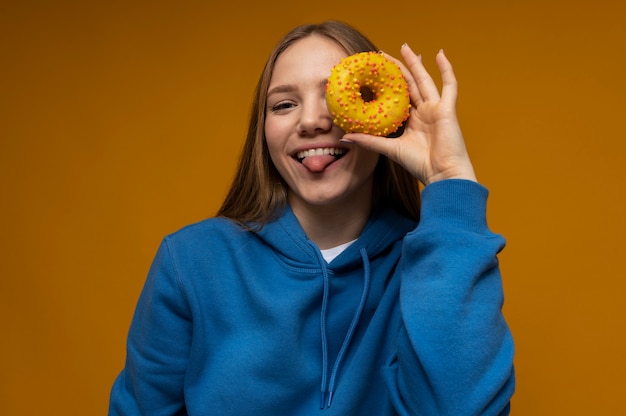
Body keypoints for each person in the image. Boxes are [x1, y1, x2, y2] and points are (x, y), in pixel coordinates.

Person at [109, 20, 515, 415]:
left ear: (387, 116)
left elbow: (462, 407)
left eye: (334, 96)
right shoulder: (192, 260)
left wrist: (448, 180)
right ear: (263, 131)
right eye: (284, 104)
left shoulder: (437, 263)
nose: (311, 121)